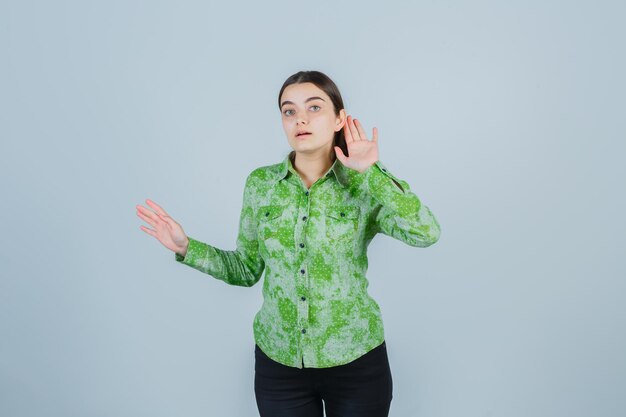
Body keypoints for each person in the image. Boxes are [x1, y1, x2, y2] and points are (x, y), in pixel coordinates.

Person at [136, 70, 441, 417]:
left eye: (314, 107)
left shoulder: (363, 187)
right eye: (289, 111)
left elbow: (425, 232)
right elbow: (246, 269)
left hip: (356, 360)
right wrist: (186, 247)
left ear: (339, 118)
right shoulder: (261, 185)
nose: (301, 119)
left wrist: (372, 172)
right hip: (279, 365)